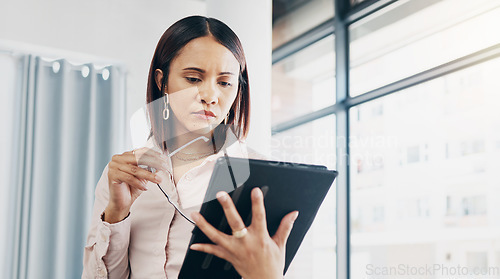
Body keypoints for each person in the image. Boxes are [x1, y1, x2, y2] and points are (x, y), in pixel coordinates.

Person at [82, 15, 299, 279]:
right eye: (194, 79)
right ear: (162, 81)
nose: (210, 96)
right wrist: (117, 214)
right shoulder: (123, 175)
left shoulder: (261, 180)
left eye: (224, 83)